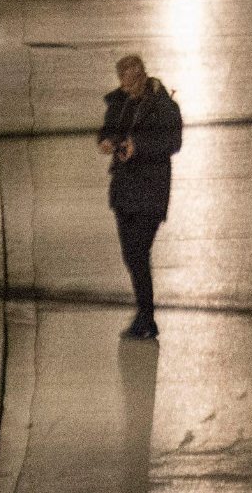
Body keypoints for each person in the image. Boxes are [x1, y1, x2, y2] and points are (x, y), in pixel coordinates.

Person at [96, 52, 182, 340]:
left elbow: (172, 141)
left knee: (138, 251)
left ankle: (145, 316)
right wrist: (108, 141)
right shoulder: (120, 102)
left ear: (142, 77)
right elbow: (108, 129)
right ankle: (145, 315)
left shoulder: (163, 107)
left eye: (132, 84)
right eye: (123, 83)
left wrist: (139, 146)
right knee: (131, 255)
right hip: (124, 191)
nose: (127, 89)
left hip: (151, 191)